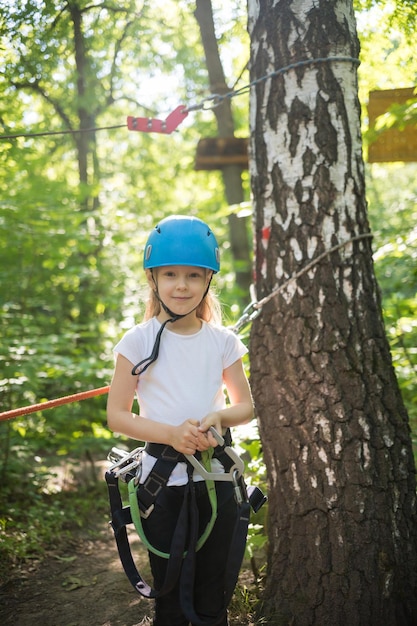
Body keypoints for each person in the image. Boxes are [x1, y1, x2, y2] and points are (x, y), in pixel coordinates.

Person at [107, 215, 254, 626]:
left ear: (208, 278)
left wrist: (218, 416)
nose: (182, 285)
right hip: (161, 486)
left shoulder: (223, 342)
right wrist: (171, 434)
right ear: (153, 278)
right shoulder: (136, 341)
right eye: (170, 274)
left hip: (216, 483)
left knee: (213, 594)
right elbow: (117, 415)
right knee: (168, 596)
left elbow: (246, 406)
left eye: (193, 274)